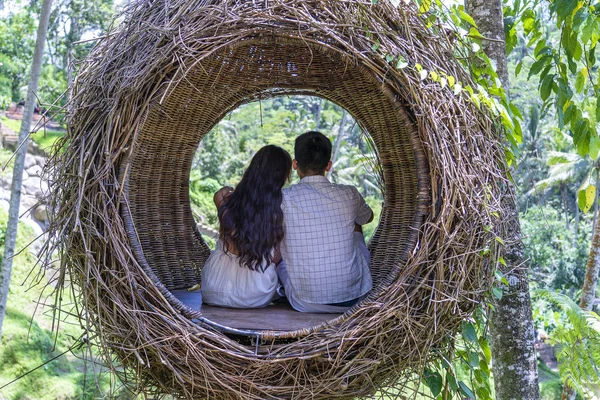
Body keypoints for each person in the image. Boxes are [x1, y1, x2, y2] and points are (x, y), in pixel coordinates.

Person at [277, 131, 373, 313]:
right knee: (355, 221)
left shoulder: (283, 198)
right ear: (328, 166)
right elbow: (368, 217)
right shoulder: (349, 193)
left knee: (279, 237)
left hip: (304, 302)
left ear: (295, 165)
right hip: (353, 299)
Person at [201, 145, 292, 308]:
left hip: (212, 289)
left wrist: (220, 200)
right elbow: (275, 258)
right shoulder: (283, 206)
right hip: (254, 294)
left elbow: (234, 240)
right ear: (282, 176)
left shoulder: (228, 199)